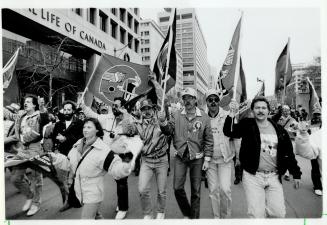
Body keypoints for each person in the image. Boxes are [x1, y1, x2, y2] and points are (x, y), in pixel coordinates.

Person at [223, 97, 302, 218]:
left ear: (268, 111)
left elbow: (289, 154)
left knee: (278, 213)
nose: (260, 110)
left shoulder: (280, 130)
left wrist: (296, 173)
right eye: (257, 108)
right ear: (252, 111)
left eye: (263, 108)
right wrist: (231, 114)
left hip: (274, 176)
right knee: (256, 214)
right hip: (253, 176)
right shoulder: (247, 124)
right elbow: (229, 132)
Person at [67, 118, 138, 219]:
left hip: (93, 193)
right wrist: (55, 159)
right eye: (84, 127)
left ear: (97, 130)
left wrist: (125, 167)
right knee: (96, 216)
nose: (85, 129)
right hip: (80, 189)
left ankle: (122, 208)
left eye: (89, 127)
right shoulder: (79, 142)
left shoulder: (103, 149)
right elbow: (70, 161)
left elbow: (115, 166)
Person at [79, 96, 133, 219]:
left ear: (123, 107)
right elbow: (92, 115)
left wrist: (125, 118)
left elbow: (131, 130)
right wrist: (82, 105)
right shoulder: (107, 118)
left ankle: (123, 207)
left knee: (121, 182)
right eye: (113, 105)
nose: (114, 107)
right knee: (94, 178)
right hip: (108, 154)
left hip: (124, 154)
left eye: (117, 105)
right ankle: (93, 208)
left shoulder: (129, 119)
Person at [166, 87, 213, 219]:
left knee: (196, 192)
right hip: (181, 156)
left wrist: (207, 159)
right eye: (185, 98)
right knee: (177, 188)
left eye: (190, 98)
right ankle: (188, 213)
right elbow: (168, 131)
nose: (187, 100)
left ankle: (194, 219)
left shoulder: (204, 117)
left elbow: (209, 139)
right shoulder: (176, 114)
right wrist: (163, 122)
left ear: (195, 100)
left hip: (197, 158)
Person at [4, 95, 49, 216]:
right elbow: (9, 115)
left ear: (34, 105)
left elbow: (46, 119)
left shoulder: (39, 115)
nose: (25, 103)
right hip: (22, 150)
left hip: (35, 150)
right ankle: (30, 195)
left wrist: (42, 107)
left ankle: (36, 203)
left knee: (37, 180)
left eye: (29, 102)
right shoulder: (21, 115)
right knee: (15, 178)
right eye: (25, 101)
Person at [133, 98, 172, 219]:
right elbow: (131, 136)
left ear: (153, 109)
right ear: (141, 111)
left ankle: (161, 211)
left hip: (161, 160)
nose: (147, 111)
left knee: (162, 191)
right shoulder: (137, 124)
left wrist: (163, 121)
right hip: (146, 161)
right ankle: (148, 214)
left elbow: (168, 132)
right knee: (142, 189)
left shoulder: (160, 119)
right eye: (144, 109)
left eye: (149, 108)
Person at [204, 89, 234, 218]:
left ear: (219, 101)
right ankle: (217, 218)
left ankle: (225, 217)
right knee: (213, 190)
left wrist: (234, 113)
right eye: (210, 100)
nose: (213, 102)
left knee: (225, 190)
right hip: (209, 161)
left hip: (225, 160)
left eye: (216, 99)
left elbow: (236, 136)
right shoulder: (202, 118)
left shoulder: (228, 115)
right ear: (206, 102)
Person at [295, 120, 322, 196]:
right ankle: (317, 186)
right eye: (316, 114)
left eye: (318, 114)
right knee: (315, 168)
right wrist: (303, 134)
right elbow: (306, 152)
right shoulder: (311, 122)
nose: (318, 116)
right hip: (313, 146)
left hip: (314, 145)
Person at [276, 105, 298, 181]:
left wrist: (295, 129)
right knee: (278, 155)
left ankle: (287, 173)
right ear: (282, 111)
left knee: (289, 156)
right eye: (284, 110)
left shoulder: (293, 120)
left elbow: (296, 129)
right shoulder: (278, 119)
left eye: (287, 110)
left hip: (290, 140)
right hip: (279, 140)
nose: (286, 112)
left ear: (289, 111)